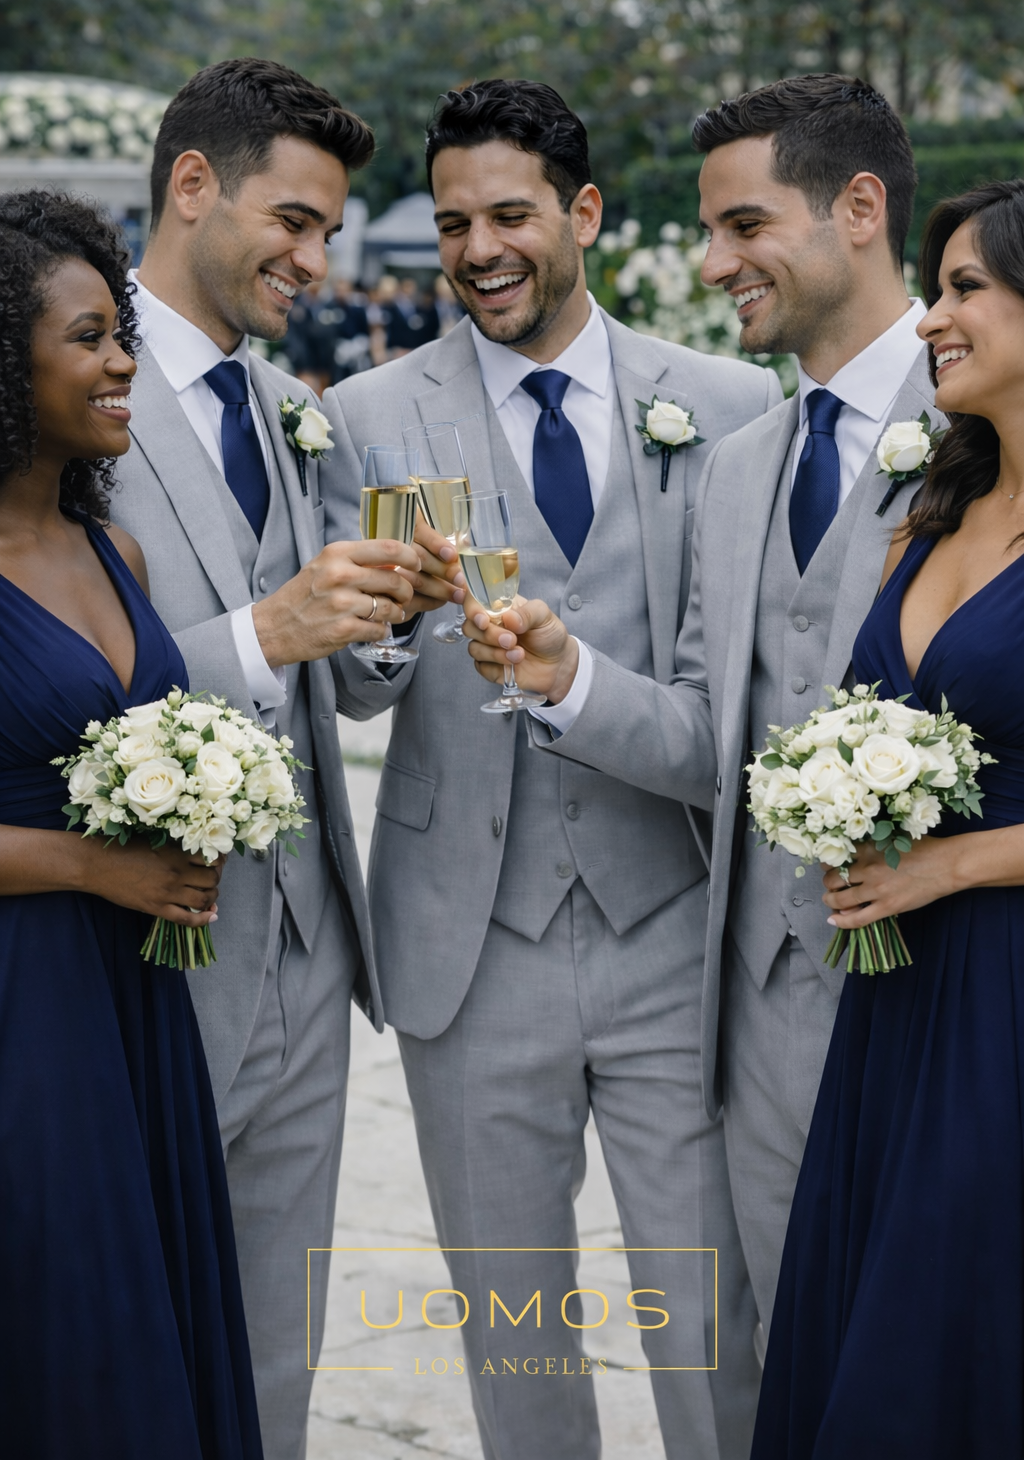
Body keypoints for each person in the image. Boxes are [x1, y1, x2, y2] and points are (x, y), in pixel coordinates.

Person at [323, 78, 783, 1460]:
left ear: (581, 213)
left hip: (669, 931)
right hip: (470, 944)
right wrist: (397, 615)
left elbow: (736, 693)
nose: (477, 250)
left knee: (708, 1324)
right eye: (456, 223)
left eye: (510, 214)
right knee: (514, 1330)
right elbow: (353, 678)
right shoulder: (365, 411)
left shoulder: (728, 403)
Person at [463, 74, 939, 1361]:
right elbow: (704, 747)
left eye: (741, 225)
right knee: (788, 1367)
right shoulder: (739, 467)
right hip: (761, 1019)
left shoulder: (986, 421)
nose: (714, 261)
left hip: (956, 1002)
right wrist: (568, 681)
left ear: (856, 207)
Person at [91, 58, 447, 1460]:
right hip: (138, 945)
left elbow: (340, 689)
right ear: (191, 187)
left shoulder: (285, 404)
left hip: (309, 941)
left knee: (276, 1349)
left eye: (328, 234)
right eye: (293, 222)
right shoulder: (60, 377)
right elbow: (50, 681)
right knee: (126, 1323)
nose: (316, 258)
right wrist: (262, 626)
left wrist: (387, 618)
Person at [751, 178, 1024, 1457]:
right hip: (899, 1003)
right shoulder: (942, 508)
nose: (931, 319)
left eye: (965, 288)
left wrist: (959, 859)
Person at [0, 190, 262, 1457]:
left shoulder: (119, 557)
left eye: (124, 337)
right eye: (92, 337)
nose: (122, 365)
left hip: (136, 1004)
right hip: (23, 1006)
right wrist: (96, 866)